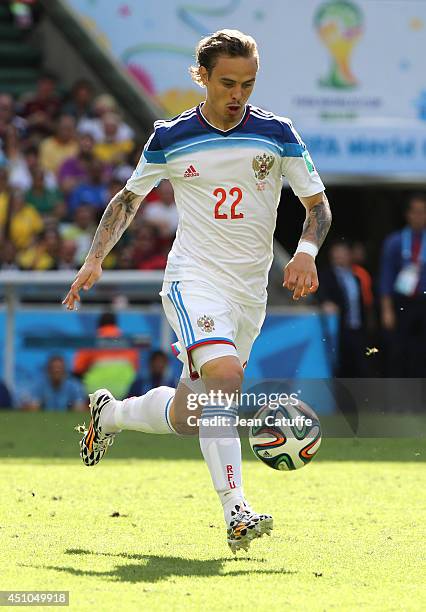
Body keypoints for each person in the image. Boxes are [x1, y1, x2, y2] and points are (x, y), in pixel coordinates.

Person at [63, 30, 331, 553]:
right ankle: (236, 511)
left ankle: (109, 413)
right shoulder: (171, 136)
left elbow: (316, 206)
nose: (238, 94)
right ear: (202, 77)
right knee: (225, 380)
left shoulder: (277, 133)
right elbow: (127, 199)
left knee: (193, 415)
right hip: (194, 280)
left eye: (248, 84)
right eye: (227, 83)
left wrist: (305, 252)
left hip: (249, 293)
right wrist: (95, 258)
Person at [379, 195, 426, 376]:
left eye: (423, 212)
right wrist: (386, 310)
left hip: (423, 300)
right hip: (402, 302)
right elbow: (386, 276)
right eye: (416, 212)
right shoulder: (395, 241)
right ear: (408, 214)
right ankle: (399, 398)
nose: (419, 216)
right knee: (399, 350)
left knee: (421, 351)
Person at [318, 242, 369, 377]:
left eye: (343, 253)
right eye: (336, 253)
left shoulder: (357, 276)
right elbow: (319, 294)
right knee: (340, 366)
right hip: (339, 329)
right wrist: (325, 302)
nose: (339, 256)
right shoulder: (326, 275)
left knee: (360, 365)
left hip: (357, 328)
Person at [73, 312, 140, 399]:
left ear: (99, 324)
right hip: (124, 392)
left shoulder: (91, 342)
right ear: (116, 324)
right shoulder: (128, 342)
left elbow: (77, 370)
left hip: (96, 393)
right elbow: (135, 369)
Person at [21, 355, 86, 412]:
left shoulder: (73, 386)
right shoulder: (40, 386)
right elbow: (32, 407)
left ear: (64, 370)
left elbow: (80, 408)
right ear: (48, 370)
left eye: (59, 368)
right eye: (53, 368)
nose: (56, 371)